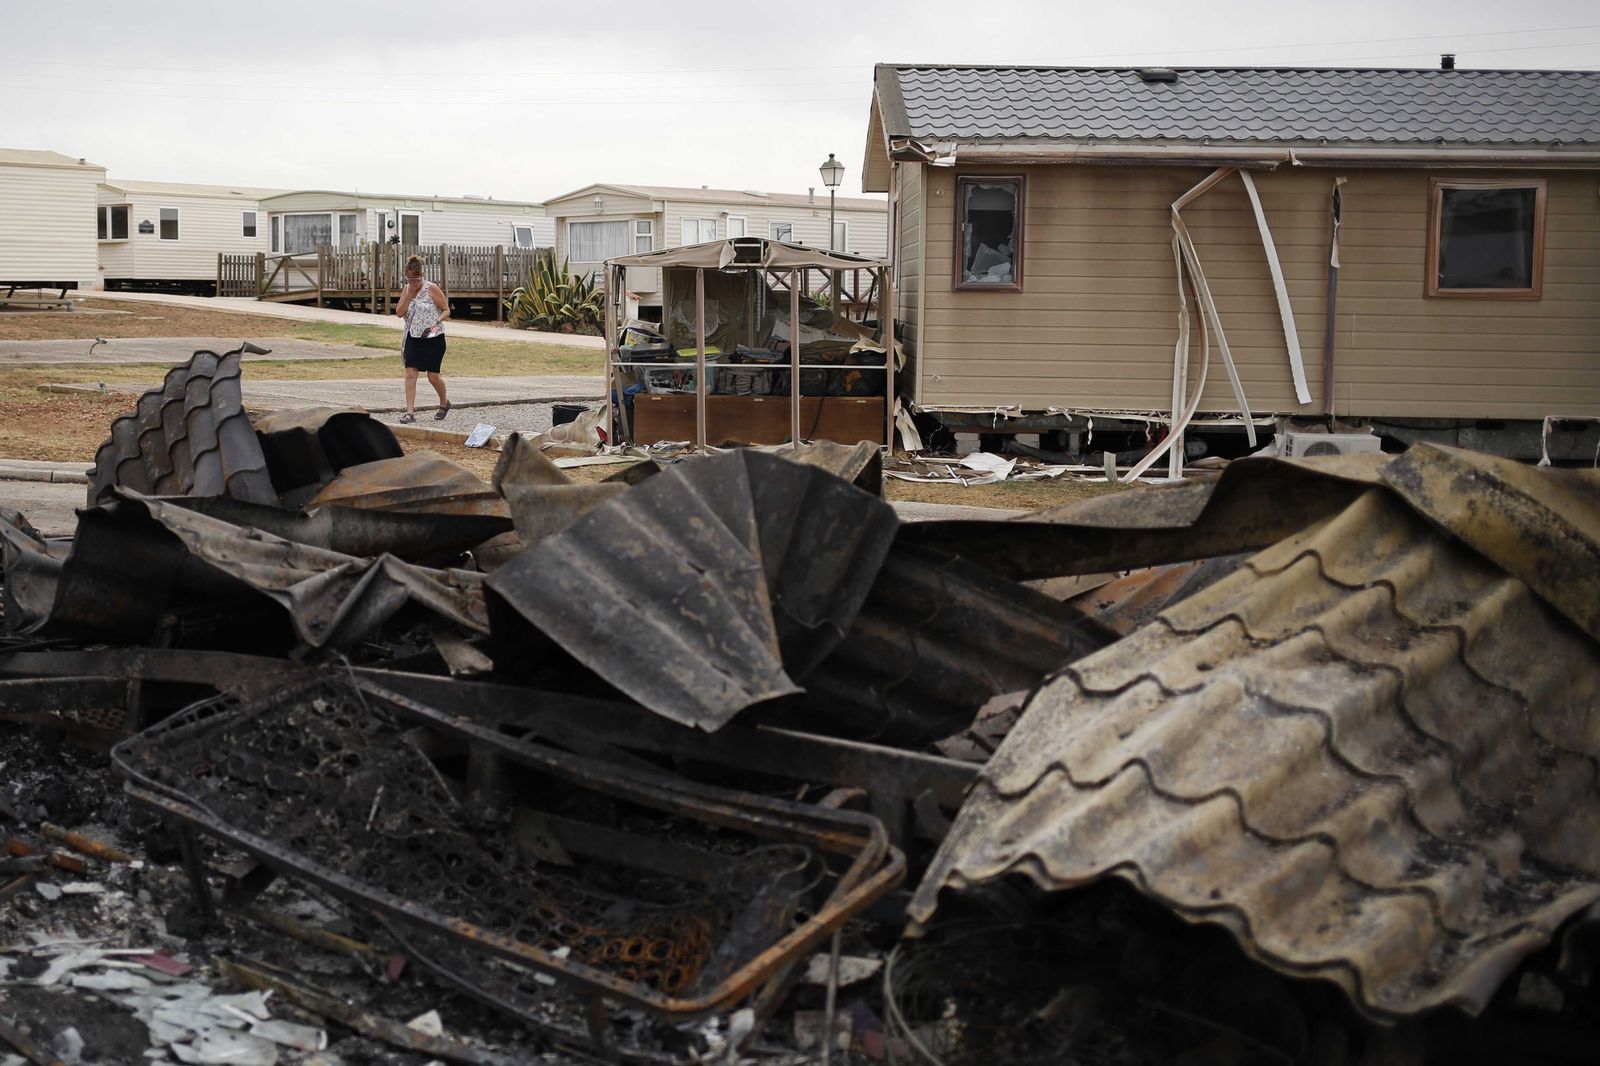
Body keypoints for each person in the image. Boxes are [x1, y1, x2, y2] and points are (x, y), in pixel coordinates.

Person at [396, 255, 450, 422]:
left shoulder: (431, 289)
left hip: (433, 337)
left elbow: (446, 309)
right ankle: (410, 412)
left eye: (416, 278)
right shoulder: (406, 290)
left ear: (422, 275)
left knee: (433, 376)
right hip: (413, 336)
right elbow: (399, 313)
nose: (413, 282)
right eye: (409, 279)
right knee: (410, 372)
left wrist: (437, 321)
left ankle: (444, 403)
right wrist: (409, 295)